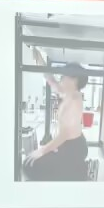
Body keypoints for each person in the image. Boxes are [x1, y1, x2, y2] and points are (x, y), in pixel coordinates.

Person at [23, 48, 88, 181]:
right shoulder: (68, 93)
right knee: (29, 163)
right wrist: (40, 60)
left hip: (73, 148)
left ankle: (78, 173)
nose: (61, 78)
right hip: (68, 145)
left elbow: (64, 135)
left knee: (30, 166)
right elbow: (51, 80)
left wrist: (42, 150)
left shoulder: (74, 99)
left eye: (64, 76)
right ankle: (74, 172)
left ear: (74, 79)